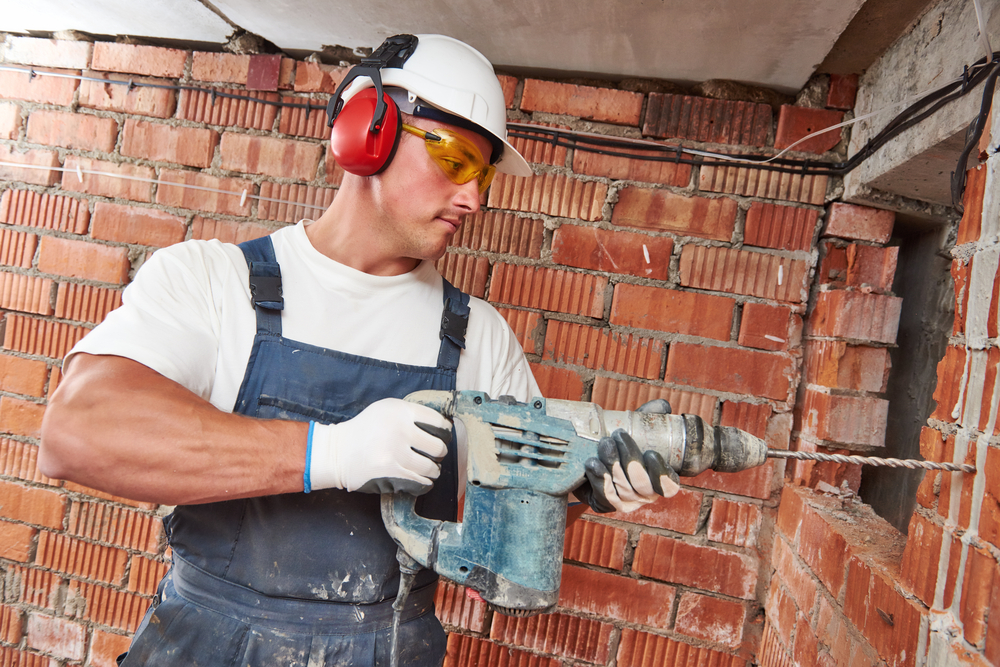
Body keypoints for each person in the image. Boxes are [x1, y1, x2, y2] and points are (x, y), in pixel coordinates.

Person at [39, 34, 680, 667]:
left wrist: (579, 491)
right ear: (366, 130)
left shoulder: (479, 337)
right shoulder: (214, 282)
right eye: (455, 160)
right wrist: (332, 452)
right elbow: (79, 433)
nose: (475, 198)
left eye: (483, 174)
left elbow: (497, 539)